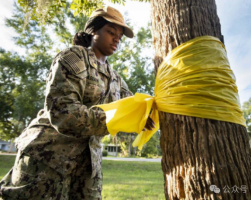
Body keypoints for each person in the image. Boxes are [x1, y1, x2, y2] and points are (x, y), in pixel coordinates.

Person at [0, 6, 154, 200]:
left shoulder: (115, 78)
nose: (117, 39)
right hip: (47, 161)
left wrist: (145, 114)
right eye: (111, 32)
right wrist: (116, 118)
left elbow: (134, 106)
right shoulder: (73, 58)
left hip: (87, 171)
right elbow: (64, 114)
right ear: (93, 31)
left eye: (120, 36)